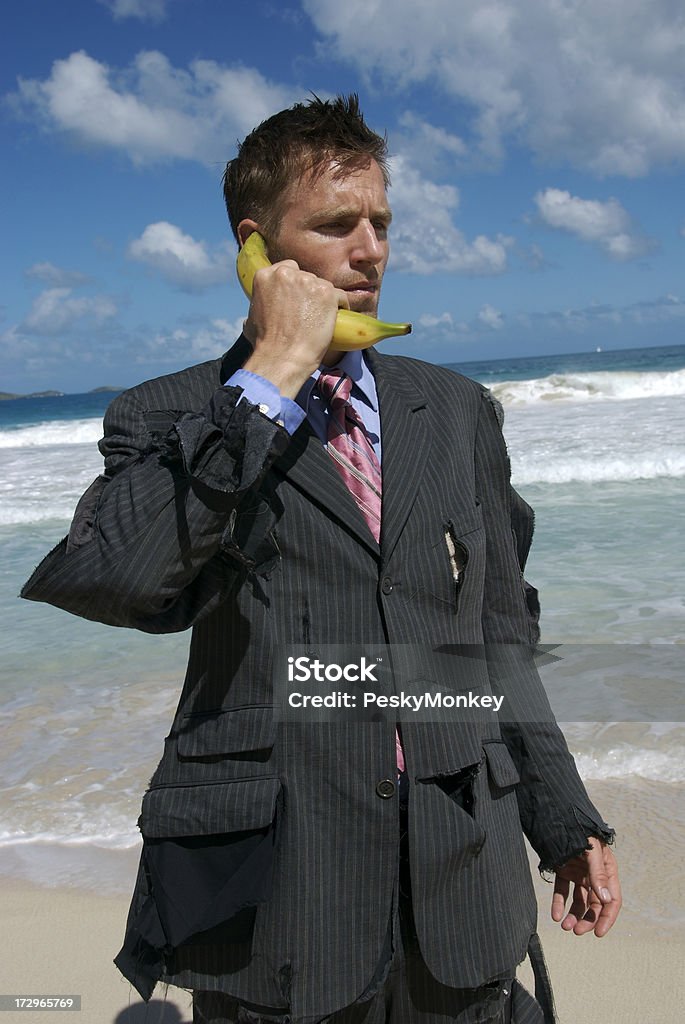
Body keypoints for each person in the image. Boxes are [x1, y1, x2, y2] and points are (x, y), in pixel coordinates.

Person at [21, 94, 621, 1024]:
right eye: (336, 225)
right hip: (279, 896)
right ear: (257, 246)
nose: (370, 249)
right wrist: (266, 382)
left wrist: (563, 817)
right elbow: (121, 578)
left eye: (380, 223)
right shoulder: (166, 411)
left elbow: (498, 633)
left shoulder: (456, 411)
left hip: (461, 879)